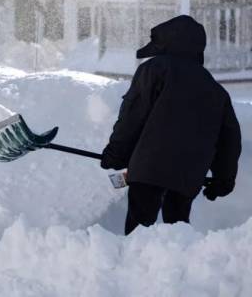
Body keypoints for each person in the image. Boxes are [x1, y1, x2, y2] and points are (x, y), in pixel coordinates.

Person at [100, 15, 242, 235]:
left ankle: (134, 266)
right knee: (177, 229)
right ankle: (176, 265)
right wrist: (223, 179)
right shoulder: (215, 90)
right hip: (189, 174)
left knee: (139, 228)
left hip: (149, 166)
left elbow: (133, 115)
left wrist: (116, 153)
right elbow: (229, 140)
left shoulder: (155, 69)